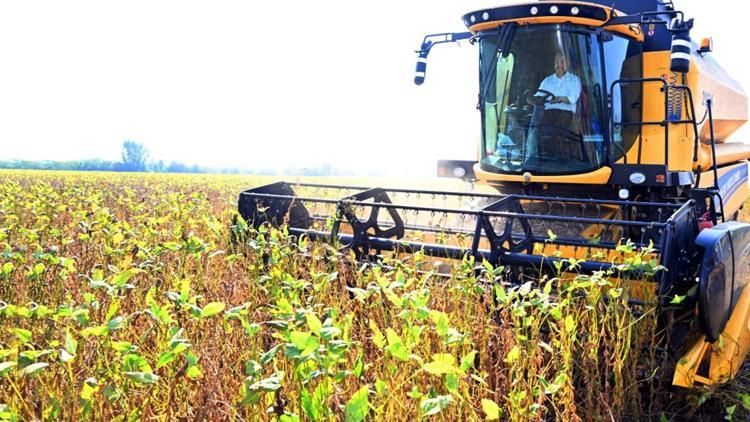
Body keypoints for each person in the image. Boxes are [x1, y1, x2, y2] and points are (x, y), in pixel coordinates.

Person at [525, 50, 582, 162]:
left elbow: (572, 98)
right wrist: (530, 98)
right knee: (533, 128)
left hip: (566, 114)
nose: (559, 64)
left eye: (562, 61)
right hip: (547, 113)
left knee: (556, 131)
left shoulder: (574, 80)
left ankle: (558, 160)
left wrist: (558, 99)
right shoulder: (547, 80)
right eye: (556, 61)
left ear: (568, 64)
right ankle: (530, 157)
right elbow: (538, 96)